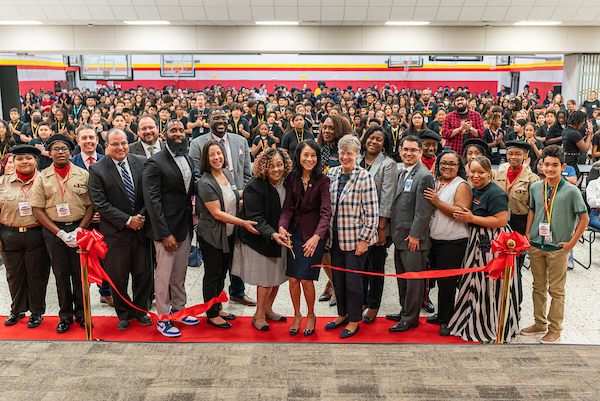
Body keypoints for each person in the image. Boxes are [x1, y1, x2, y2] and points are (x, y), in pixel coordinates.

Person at [88, 128, 153, 331]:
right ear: (106, 146)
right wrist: (127, 220)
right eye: (115, 144)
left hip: (141, 231)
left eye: (123, 143)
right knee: (118, 277)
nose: (120, 147)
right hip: (115, 234)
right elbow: (100, 203)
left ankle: (140, 310)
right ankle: (123, 313)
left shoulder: (141, 162)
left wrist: (139, 218)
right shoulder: (98, 169)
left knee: (143, 274)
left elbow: (149, 195)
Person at [522, 145, 589, 344]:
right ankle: (539, 322)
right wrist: (528, 233)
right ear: (540, 165)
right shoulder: (535, 187)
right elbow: (532, 211)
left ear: (563, 166)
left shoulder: (571, 191)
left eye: (555, 165)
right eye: (546, 165)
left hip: (559, 248)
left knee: (556, 290)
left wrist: (570, 244)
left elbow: (584, 219)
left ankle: (555, 327)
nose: (549, 169)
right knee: (538, 286)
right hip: (536, 245)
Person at [29, 134, 95, 334]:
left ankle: (82, 314)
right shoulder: (42, 177)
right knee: (61, 275)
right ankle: (65, 315)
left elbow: (91, 205)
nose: (60, 152)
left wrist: (78, 230)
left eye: (64, 148)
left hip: (80, 228)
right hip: (54, 232)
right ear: (49, 154)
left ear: (71, 152)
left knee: (80, 275)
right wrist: (60, 234)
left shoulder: (84, 175)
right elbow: (38, 209)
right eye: (56, 149)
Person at [189, 108, 255, 306]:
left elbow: (246, 174)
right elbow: (196, 177)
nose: (220, 121)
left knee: (235, 258)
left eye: (223, 118)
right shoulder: (197, 143)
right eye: (215, 118)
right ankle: (213, 310)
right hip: (214, 215)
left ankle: (237, 292)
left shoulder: (240, 142)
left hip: (237, 209)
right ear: (208, 121)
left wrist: (248, 197)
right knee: (215, 269)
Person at [449, 156, 517, 342]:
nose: (476, 175)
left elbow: (501, 221)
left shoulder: (495, 193)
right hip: (476, 241)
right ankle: (469, 319)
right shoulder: (474, 189)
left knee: (486, 284)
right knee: (472, 281)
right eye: (472, 171)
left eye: (481, 172)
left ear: (489, 172)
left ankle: (485, 323)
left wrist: (472, 219)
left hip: (491, 244)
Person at [143, 120, 199, 338]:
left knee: (180, 273)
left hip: (185, 226)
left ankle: (179, 308)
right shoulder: (154, 163)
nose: (178, 134)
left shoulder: (187, 158)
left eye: (181, 130)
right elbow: (152, 202)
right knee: (164, 275)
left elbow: (188, 191)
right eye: (172, 131)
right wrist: (164, 233)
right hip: (165, 230)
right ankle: (163, 317)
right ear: (163, 135)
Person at [196, 140, 259, 329]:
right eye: (212, 155)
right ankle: (211, 313)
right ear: (206, 159)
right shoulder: (205, 182)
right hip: (211, 235)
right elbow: (217, 213)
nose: (216, 157)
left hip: (228, 233)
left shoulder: (226, 173)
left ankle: (218, 306)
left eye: (219, 153)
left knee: (223, 272)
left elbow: (234, 195)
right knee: (213, 274)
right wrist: (243, 223)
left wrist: (254, 190)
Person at [233, 148, 292, 331]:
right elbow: (256, 218)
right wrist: (273, 234)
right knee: (266, 279)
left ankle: (268, 309)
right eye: (271, 166)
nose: (276, 169)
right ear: (263, 167)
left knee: (276, 277)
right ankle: (258, 314)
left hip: (280, 237)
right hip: (259, 239)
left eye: (280, 165)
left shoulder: (287, 183)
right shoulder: (255, 186)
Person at [326, 135, 379, 338]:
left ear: (357, 154)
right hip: (335, 238)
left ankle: (354, 319)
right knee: (337, 279)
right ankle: (342, 314)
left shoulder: (364, 177)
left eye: (349, 153)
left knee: (353, 282)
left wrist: (364, 241)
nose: (345, 156)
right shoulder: (332, 173)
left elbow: (372, 213)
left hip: (355, 240)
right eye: (342, 152)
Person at [278, 140, 331, 336]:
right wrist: (282, 226)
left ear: (317, 158)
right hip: (295, 233)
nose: (309, 159)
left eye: (313, 155)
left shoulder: (323, 180)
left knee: (306, 280)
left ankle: (310, 314)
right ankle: (297, 314)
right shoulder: (292, 178)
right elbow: (288, 207)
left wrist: (317, 237)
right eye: (305, 155)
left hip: (314, 234)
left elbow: (326, 213)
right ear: (298, 156)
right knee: (293, 279)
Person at [386, 135, 435, 332]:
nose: (409, 153)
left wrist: (416, 235)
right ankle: (404, 310)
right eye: (406, 149)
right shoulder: (401, 172)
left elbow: (424, 211)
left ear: (420, 153)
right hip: (400, 236)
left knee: (414, 281)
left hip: (413, 239)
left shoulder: (424, 176)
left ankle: (410, 318)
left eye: (413, 150)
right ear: (400, 150)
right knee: (402, 277)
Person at [0, 145, 51, 328]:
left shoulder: (45, 181)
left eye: (28, 158)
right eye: (19, 159)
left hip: (36, 235)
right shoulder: (3, 182)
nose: (24, 162)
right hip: (9, 234)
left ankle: (37, 312)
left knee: (37, 275)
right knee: (14, 275)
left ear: (35, 161)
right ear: (13, 162)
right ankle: (17, 310)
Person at [423, 150, 471, 336]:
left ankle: (447, 320)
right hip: (435, 239)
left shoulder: (461, 185)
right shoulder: (436, 183)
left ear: (459, 166)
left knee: (448, 283)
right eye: (443, 162)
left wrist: (436, 201)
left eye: (452, 163)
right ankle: (442, 313)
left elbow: (460, 212)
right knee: (440, 281)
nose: (447, 166)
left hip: (453, 240)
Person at [357, 126, 398, 323]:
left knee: (375, 267)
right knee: (361, 265)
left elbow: (387, 198)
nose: (374, 142)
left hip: (378, 226)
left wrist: (381, 228)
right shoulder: (357, 159)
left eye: (379, 139)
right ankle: (363, 300)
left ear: (384, 143)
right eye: (371, 138)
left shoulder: (388, 164)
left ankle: (373, 305)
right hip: (357, 224)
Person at [493, 141, 539, 307]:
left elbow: (534, 208)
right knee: (497, 262)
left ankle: (514, 303)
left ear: (524, 156)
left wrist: (528, 232)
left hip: (519, 224)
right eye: (510, 153)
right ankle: (497, 300)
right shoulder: (498, 175)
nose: (513, 157)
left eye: (518, 154)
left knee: (515, 266)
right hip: (498, 223)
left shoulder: (532, 179)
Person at [562, 110, 593, 177]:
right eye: (582, 122)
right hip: (571, 161)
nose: (582, 125)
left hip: (567, 158)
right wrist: (589, 135)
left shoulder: (566, 130)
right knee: (577, 179)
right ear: (578, 121)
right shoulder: (575, 133)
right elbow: (585, 149)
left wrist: (586, 137)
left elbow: (578, 142)